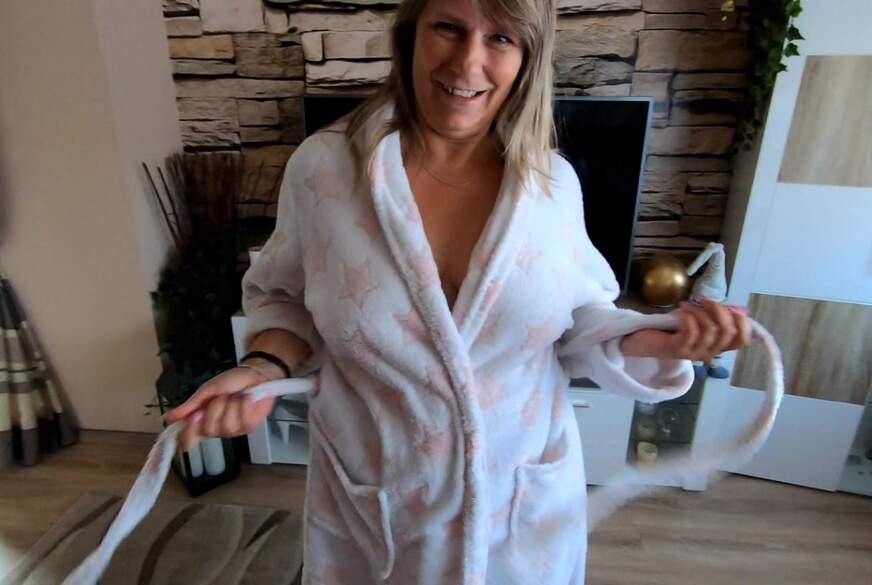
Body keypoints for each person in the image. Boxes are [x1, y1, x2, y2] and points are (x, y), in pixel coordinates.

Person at [165, 0, 752, 582]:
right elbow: (285, 298)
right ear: (410, 35)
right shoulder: (323, 170)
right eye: (448, 27)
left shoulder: (551, 187)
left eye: (501, 38)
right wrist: (263, 367)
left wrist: (659, 339)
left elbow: (576, 322)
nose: (468, 62)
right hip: (378, 512)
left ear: (527, 58)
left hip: (519, 516)